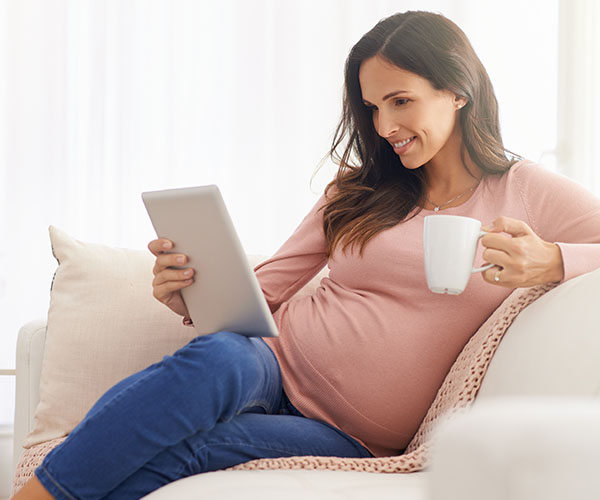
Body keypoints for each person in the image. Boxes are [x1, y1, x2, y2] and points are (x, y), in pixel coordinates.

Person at [15, 10, 600, 500]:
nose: (385, 125)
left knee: (199, 451)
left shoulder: (527, 190)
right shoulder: (358, 189)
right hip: (272, 361)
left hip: (351, 433)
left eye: (400, 101)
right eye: (372, 108)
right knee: (218, 357)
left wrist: (553, 262)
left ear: (458, 91)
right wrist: (187, 294)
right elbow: (267, 285)